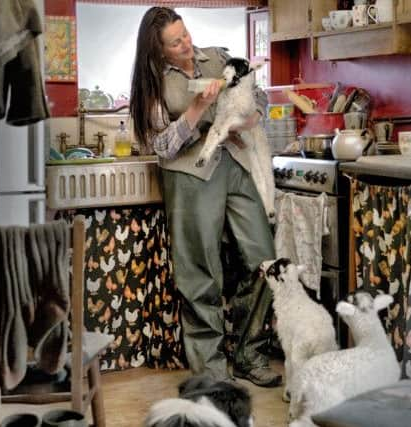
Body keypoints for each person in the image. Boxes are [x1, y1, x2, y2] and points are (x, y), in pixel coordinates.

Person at [130, 6, 281, 387]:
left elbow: (256, 93)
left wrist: (252, 116)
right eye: (175, 42)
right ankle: (211, 369)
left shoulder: (217, 58)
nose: (186, 44)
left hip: (235, 163)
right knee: (200, 275)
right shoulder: (153, 83)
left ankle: (249, 354)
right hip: (189, 176)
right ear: (158, 50)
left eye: (185, 35)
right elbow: (162, 146)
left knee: (262, 260)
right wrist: (197, 109)